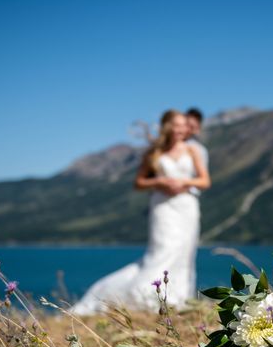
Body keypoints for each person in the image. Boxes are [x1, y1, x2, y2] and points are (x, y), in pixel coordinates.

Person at [71, 110, 210, 315]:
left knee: (184, 252)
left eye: (184, 125)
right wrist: (159, 181)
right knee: (162, 250)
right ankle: (145, 295)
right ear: (167, 127)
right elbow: (139, 182)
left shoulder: (193, 150)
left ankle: (178, 298)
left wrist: (184, 182)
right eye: (177, 124)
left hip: (186, 206)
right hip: (163, 207)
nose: (182, 129)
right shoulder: (154, 152)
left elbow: (204, 181)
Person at [185, 108, 209, 197]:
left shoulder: (199, 150)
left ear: (197, 129)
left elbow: (203, 181)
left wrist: (181, 183)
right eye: (186, 125)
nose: (187, 129)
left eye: (192, 127)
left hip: (188, 195)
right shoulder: (166, 147)